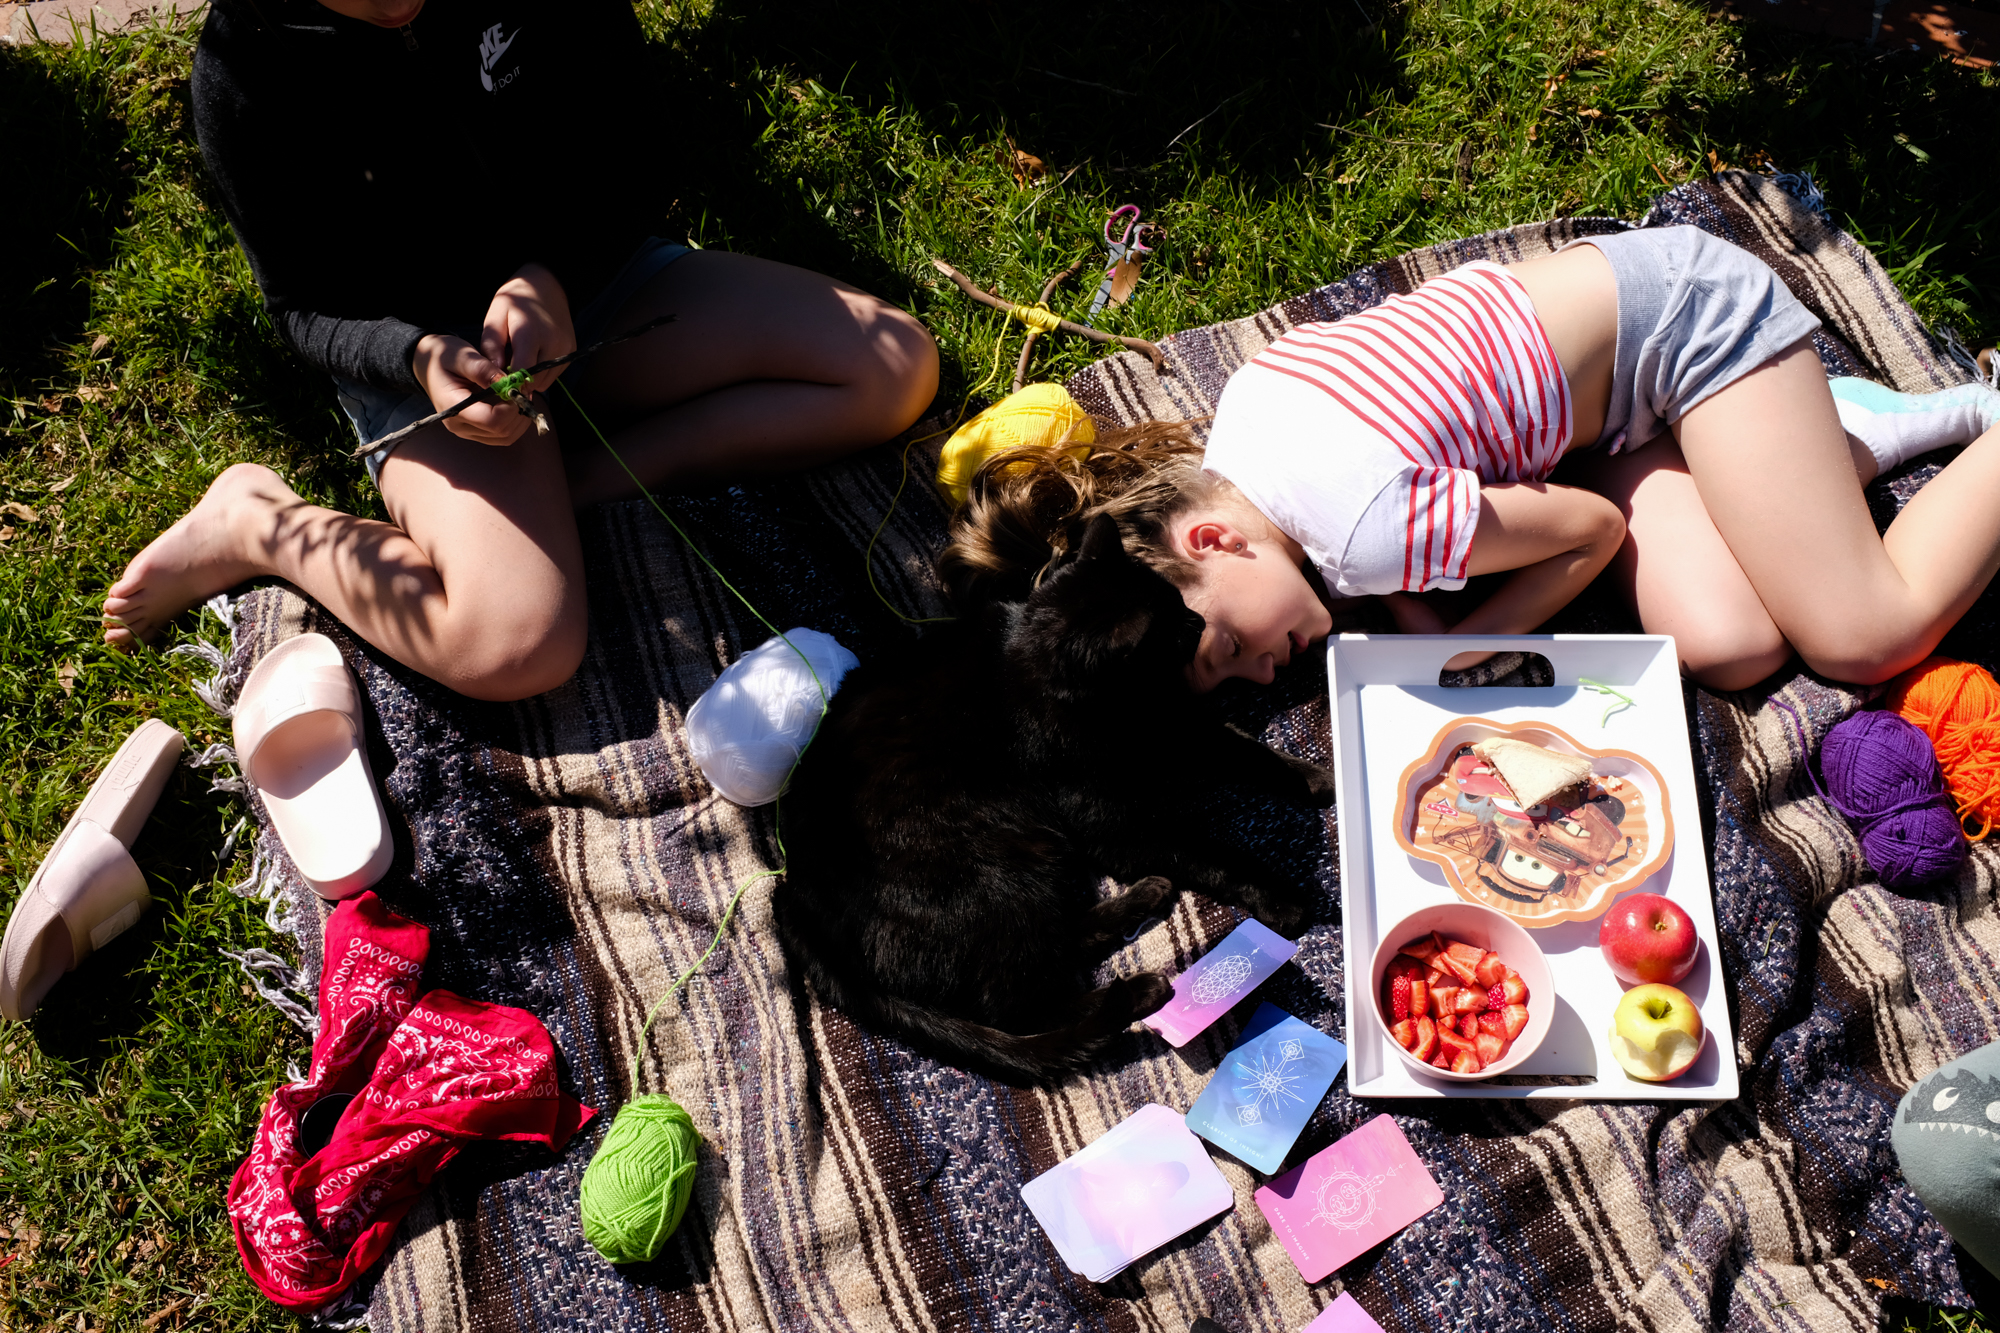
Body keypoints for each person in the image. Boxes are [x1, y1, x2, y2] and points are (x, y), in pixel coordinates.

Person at [101, 0, 938, 701]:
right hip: (432, 380)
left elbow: (638, 147)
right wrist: (416, 354)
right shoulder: (244, 73)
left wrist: (553, 277)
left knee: (891, 366)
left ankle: (569, 486)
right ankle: (262, 525)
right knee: (515, 645)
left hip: (603, 291)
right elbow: (304, 305)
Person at [941, 227, 2000, 693]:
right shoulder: (1234, 441)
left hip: (1688, 323)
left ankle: (1868, 425)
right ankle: (1821, 438)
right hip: (1607, 415)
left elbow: (1591, 533)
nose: (1266, 672)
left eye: (1226, 649)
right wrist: (1423, 611)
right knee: (1728, 644)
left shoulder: (1359, 539)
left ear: (1205, 539)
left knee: (1863, 635)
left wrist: (1448, 654)